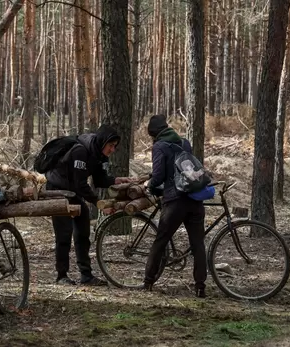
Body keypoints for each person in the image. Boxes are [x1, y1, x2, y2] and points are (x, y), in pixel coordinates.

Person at [45, 124, 133, 286]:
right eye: (111, 146)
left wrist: (117, 180)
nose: (113, 150)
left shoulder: (100, 155)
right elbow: (81, 185)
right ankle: (61, 275)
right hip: (57, 191)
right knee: (64, 234)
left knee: (83, 233)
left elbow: (99, 180)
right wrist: (99, 203)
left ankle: (86, 275)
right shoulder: (80, 151)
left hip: (72, 192)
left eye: (115, 146)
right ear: (102, 142)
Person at [143, 114, 207, 298]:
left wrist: (148, 185)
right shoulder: (184, 143)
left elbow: (158, 176)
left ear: (154, 134)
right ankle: (200, 286)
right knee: (198, 244)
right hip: (195, 200)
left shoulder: (159, 146)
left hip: (175, 202)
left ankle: (148, 281)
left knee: (161, 240)